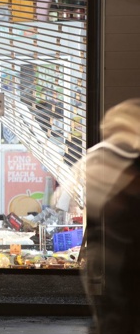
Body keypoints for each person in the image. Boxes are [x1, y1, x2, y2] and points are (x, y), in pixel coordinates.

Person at [82, 98, 140, 333]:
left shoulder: (108, 156)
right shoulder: (118, 157)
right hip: (119, 255)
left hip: (117, 254)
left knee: (117, 316)